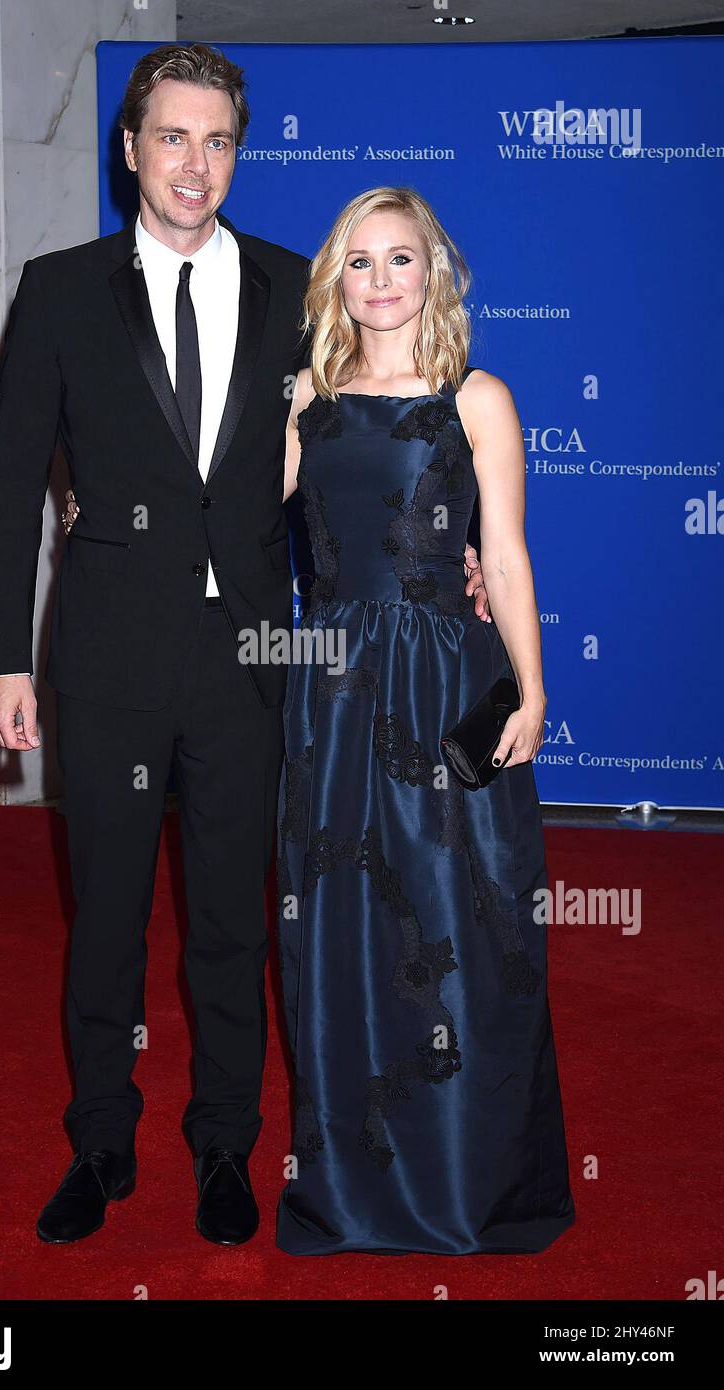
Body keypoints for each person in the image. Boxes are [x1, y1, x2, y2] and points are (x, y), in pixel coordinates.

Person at [0, 42, 491, 1249]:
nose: (194, 164)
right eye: (172, 137)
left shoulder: (289, 292)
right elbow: (9, 490)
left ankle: (225, 1147)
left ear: (237, 152)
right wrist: (2, 656)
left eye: (217, 141)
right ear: (131, 147)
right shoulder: (57, 289)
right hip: (105, 651)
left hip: (255, 656)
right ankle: (101, 1140)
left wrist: (449, 550)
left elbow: (381, 428)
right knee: (103, 914)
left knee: (233, 922)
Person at [274, 186, 575, 1255]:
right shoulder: (304, 395)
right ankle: (354, 1188)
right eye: (360, 262)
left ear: (433, 272)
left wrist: (533, 691)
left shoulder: (477, 396)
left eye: (402, 259)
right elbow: (244, 532)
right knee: (344, 927)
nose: (382, 280)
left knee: (463, 923)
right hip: (336, 690)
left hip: (450, 679)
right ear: (335, 280)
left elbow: (505, 554)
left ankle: (468, 1177)